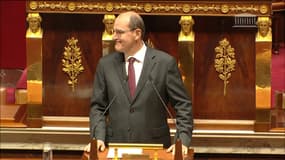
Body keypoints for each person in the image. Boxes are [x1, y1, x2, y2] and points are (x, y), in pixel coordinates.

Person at [86, 11, 193, 155]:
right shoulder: (106, 65)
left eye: (119, 32)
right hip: (115, 148)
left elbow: (183, 106)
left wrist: (181, 142)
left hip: (156, 148)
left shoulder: (164, 63)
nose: (114, 36)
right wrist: (97, 137)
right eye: (113, 32)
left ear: (137, 34)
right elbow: (98, 107)